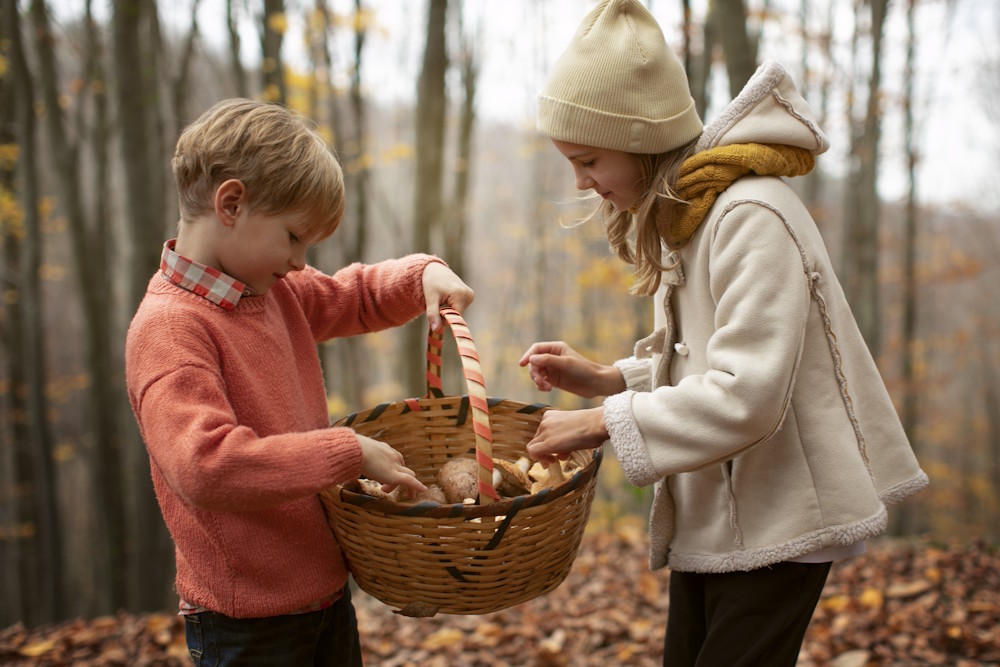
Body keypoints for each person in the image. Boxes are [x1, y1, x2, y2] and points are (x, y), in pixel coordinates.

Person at [518, 1, 928, 665]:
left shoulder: (749, 216)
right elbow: (706, 362)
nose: (580, 182)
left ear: (640, 138)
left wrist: (599, 419)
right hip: (722, 505)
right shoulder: (692, 216)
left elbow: (749, 392)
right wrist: (610, 377)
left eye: (588, 159)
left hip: (784, 509)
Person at [125, 98, 474, 666]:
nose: (298, 261)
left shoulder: (268, 289)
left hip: (325, 595)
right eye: (292, 237)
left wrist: (421, 275)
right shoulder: (170, 330)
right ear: (231, 203)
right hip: (246, 622)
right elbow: (206, 466)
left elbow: (352, 296)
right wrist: (347, 451)